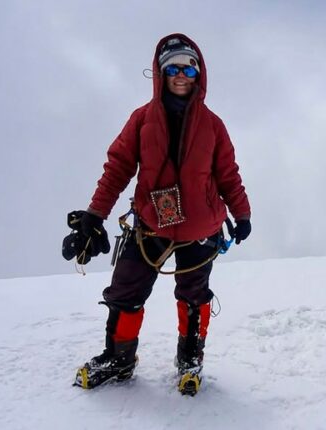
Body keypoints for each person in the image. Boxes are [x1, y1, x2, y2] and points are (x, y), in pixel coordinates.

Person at [62, 33, 251, 395]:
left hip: (200, 230)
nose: (181, 75)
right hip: (150, 225)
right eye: (173, 69)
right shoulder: (141, 119)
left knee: (194, 297)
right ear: (160, 73)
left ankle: (190, 361)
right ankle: (119, 360)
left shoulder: (214, 125)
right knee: (125, 291)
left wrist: (241, 214)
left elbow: (228, 174)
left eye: (189, 69)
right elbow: (118, 168)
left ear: (199, 75)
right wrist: (95, 215)